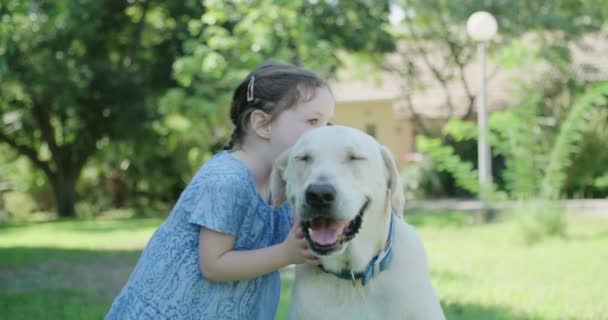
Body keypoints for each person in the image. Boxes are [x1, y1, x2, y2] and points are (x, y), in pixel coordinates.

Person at [105, 62, 335, 319]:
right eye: (313, 121)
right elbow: (213, 265)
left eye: (327, 124)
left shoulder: (287, 183)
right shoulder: (227, 180)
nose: (324, 134)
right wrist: (285, 254)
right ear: (263, 124)